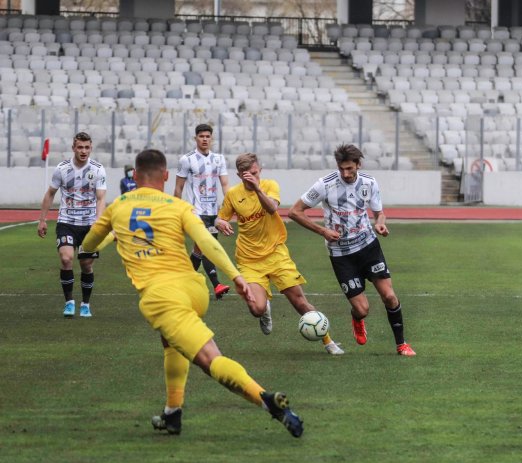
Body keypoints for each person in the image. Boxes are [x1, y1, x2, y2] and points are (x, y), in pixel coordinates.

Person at [81, 149, 303, 438]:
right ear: (165, 176)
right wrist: (235, 276)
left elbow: (89, 243)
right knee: (171, 344)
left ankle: (267, 400)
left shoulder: (118, 207)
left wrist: (105, 238)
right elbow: (206, 242)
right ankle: (173, 413)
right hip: (193, 287)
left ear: (134, 176)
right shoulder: (177, 206)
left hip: (162, 297)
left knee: (210, 360)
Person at [289, 144, 416, 357]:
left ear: (358, 164)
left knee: (390, 296)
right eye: (341, 169)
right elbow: (294, 212)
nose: (346, 173)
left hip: (368, 246)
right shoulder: (325, 185)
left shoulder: (369, 182)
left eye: (350, 168)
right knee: (362, 309)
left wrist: (380, 223)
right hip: (341, 256)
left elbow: (379, 213)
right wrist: (323, 231)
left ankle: (401, 344)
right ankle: (357, 319)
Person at [214, 153, 345, 356]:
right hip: (249, 260)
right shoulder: (233, 194)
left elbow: (271, 208)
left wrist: (257, 188)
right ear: (240, 175)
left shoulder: (269, 185)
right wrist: (220, 223)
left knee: (299, 301)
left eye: (256, 173)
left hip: (276, 254)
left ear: (260, 171)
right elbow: (219, 218)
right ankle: (264, 308)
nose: (253, 177)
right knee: (256, 309)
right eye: (248, 174)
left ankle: (329, 342)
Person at [37, 131, 107, 318]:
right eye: (80, 147)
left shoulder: (98, 169)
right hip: (66, 222)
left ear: (91, 148)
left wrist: (98, 223)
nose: (83, 151)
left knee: (86, 264)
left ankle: (85, 304)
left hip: (89, 224)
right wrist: (42, 219)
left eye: (86, 147)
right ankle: (69, 303)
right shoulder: (61, 169)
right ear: (73, 148)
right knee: (66, 258)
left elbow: (101, 199)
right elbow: (50, 193)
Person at [174, 123, 230, 300]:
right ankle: (217, 284)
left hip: (213, 212)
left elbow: (225, 184)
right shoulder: (186, 160)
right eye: (201, 136)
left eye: (207, 136)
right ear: (195, 138)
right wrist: (177, 211)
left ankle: (183, 283)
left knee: (199, 250)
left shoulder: (219, 159)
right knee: (207, 246)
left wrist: (229, 208)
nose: (204, 139)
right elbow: (178, 188)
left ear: (211, 139)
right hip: (195, 212)